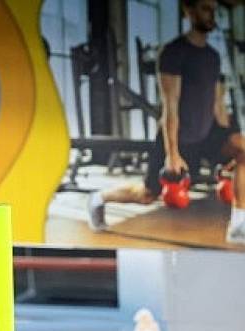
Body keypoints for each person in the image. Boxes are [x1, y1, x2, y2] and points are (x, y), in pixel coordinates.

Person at [87, 0, 245, 245]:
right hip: (178, 137)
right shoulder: (173, 52)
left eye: (213, 10)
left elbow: (218, 104)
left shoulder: (212, 57)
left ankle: (239, 226)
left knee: (243, 149)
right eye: (205, 9)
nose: (211, 15)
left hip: (207, 134)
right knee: (147, 194)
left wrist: (228, 150)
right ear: (189, 11)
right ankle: (99, 198)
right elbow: (170, 107)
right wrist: (172, 154)